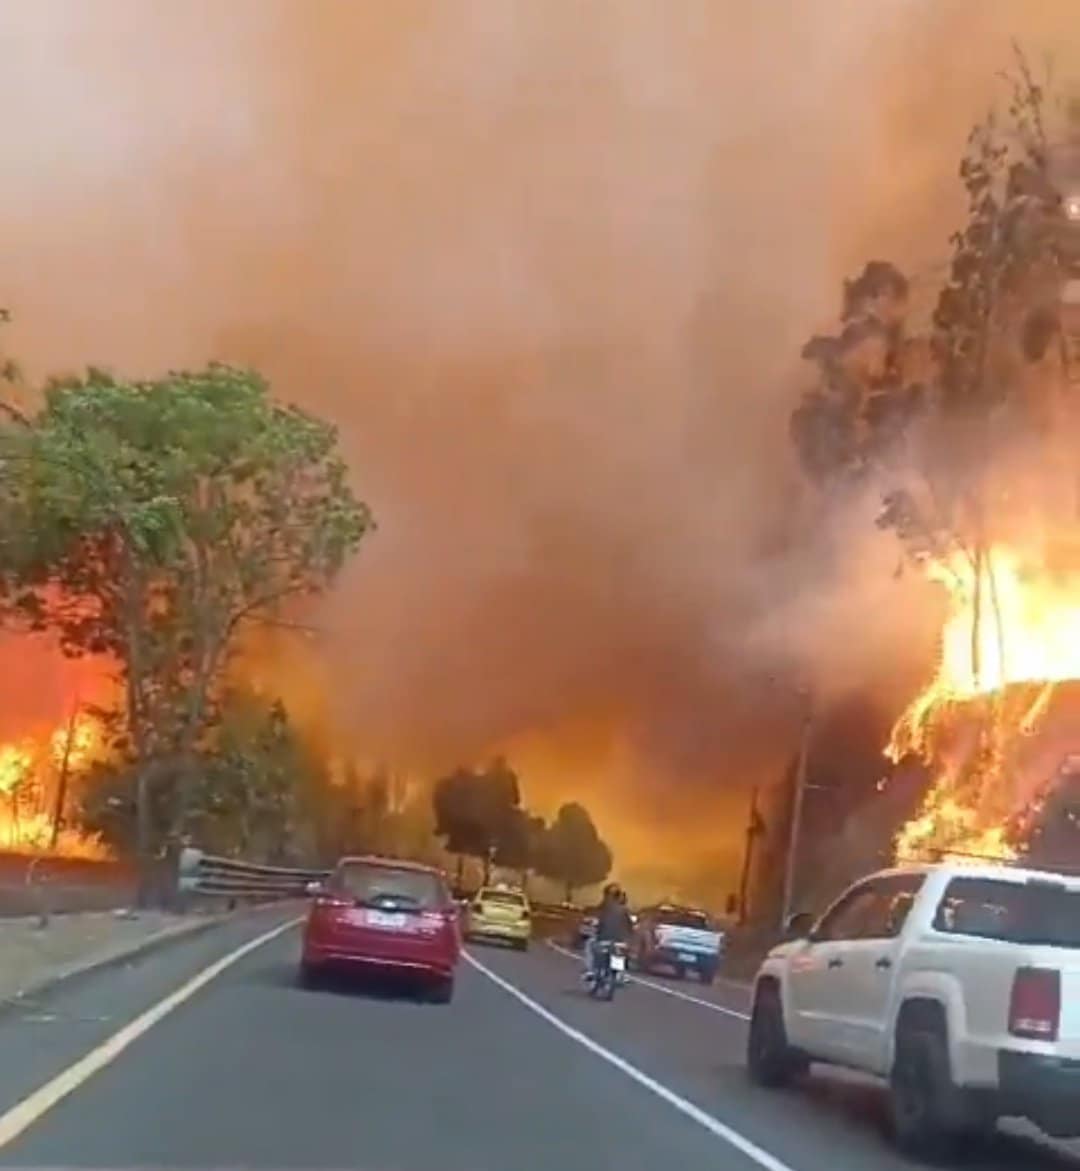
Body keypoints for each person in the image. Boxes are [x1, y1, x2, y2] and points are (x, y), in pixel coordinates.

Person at [583, 882, 634, 982]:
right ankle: (622, 974)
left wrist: (594, 925)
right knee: (623, 953)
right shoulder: (625, 910)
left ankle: (591, 970)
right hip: (621, 941)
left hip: (604, 939)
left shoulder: (604, 907)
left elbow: (597, 922)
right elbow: (630, 926)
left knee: (590, 944)